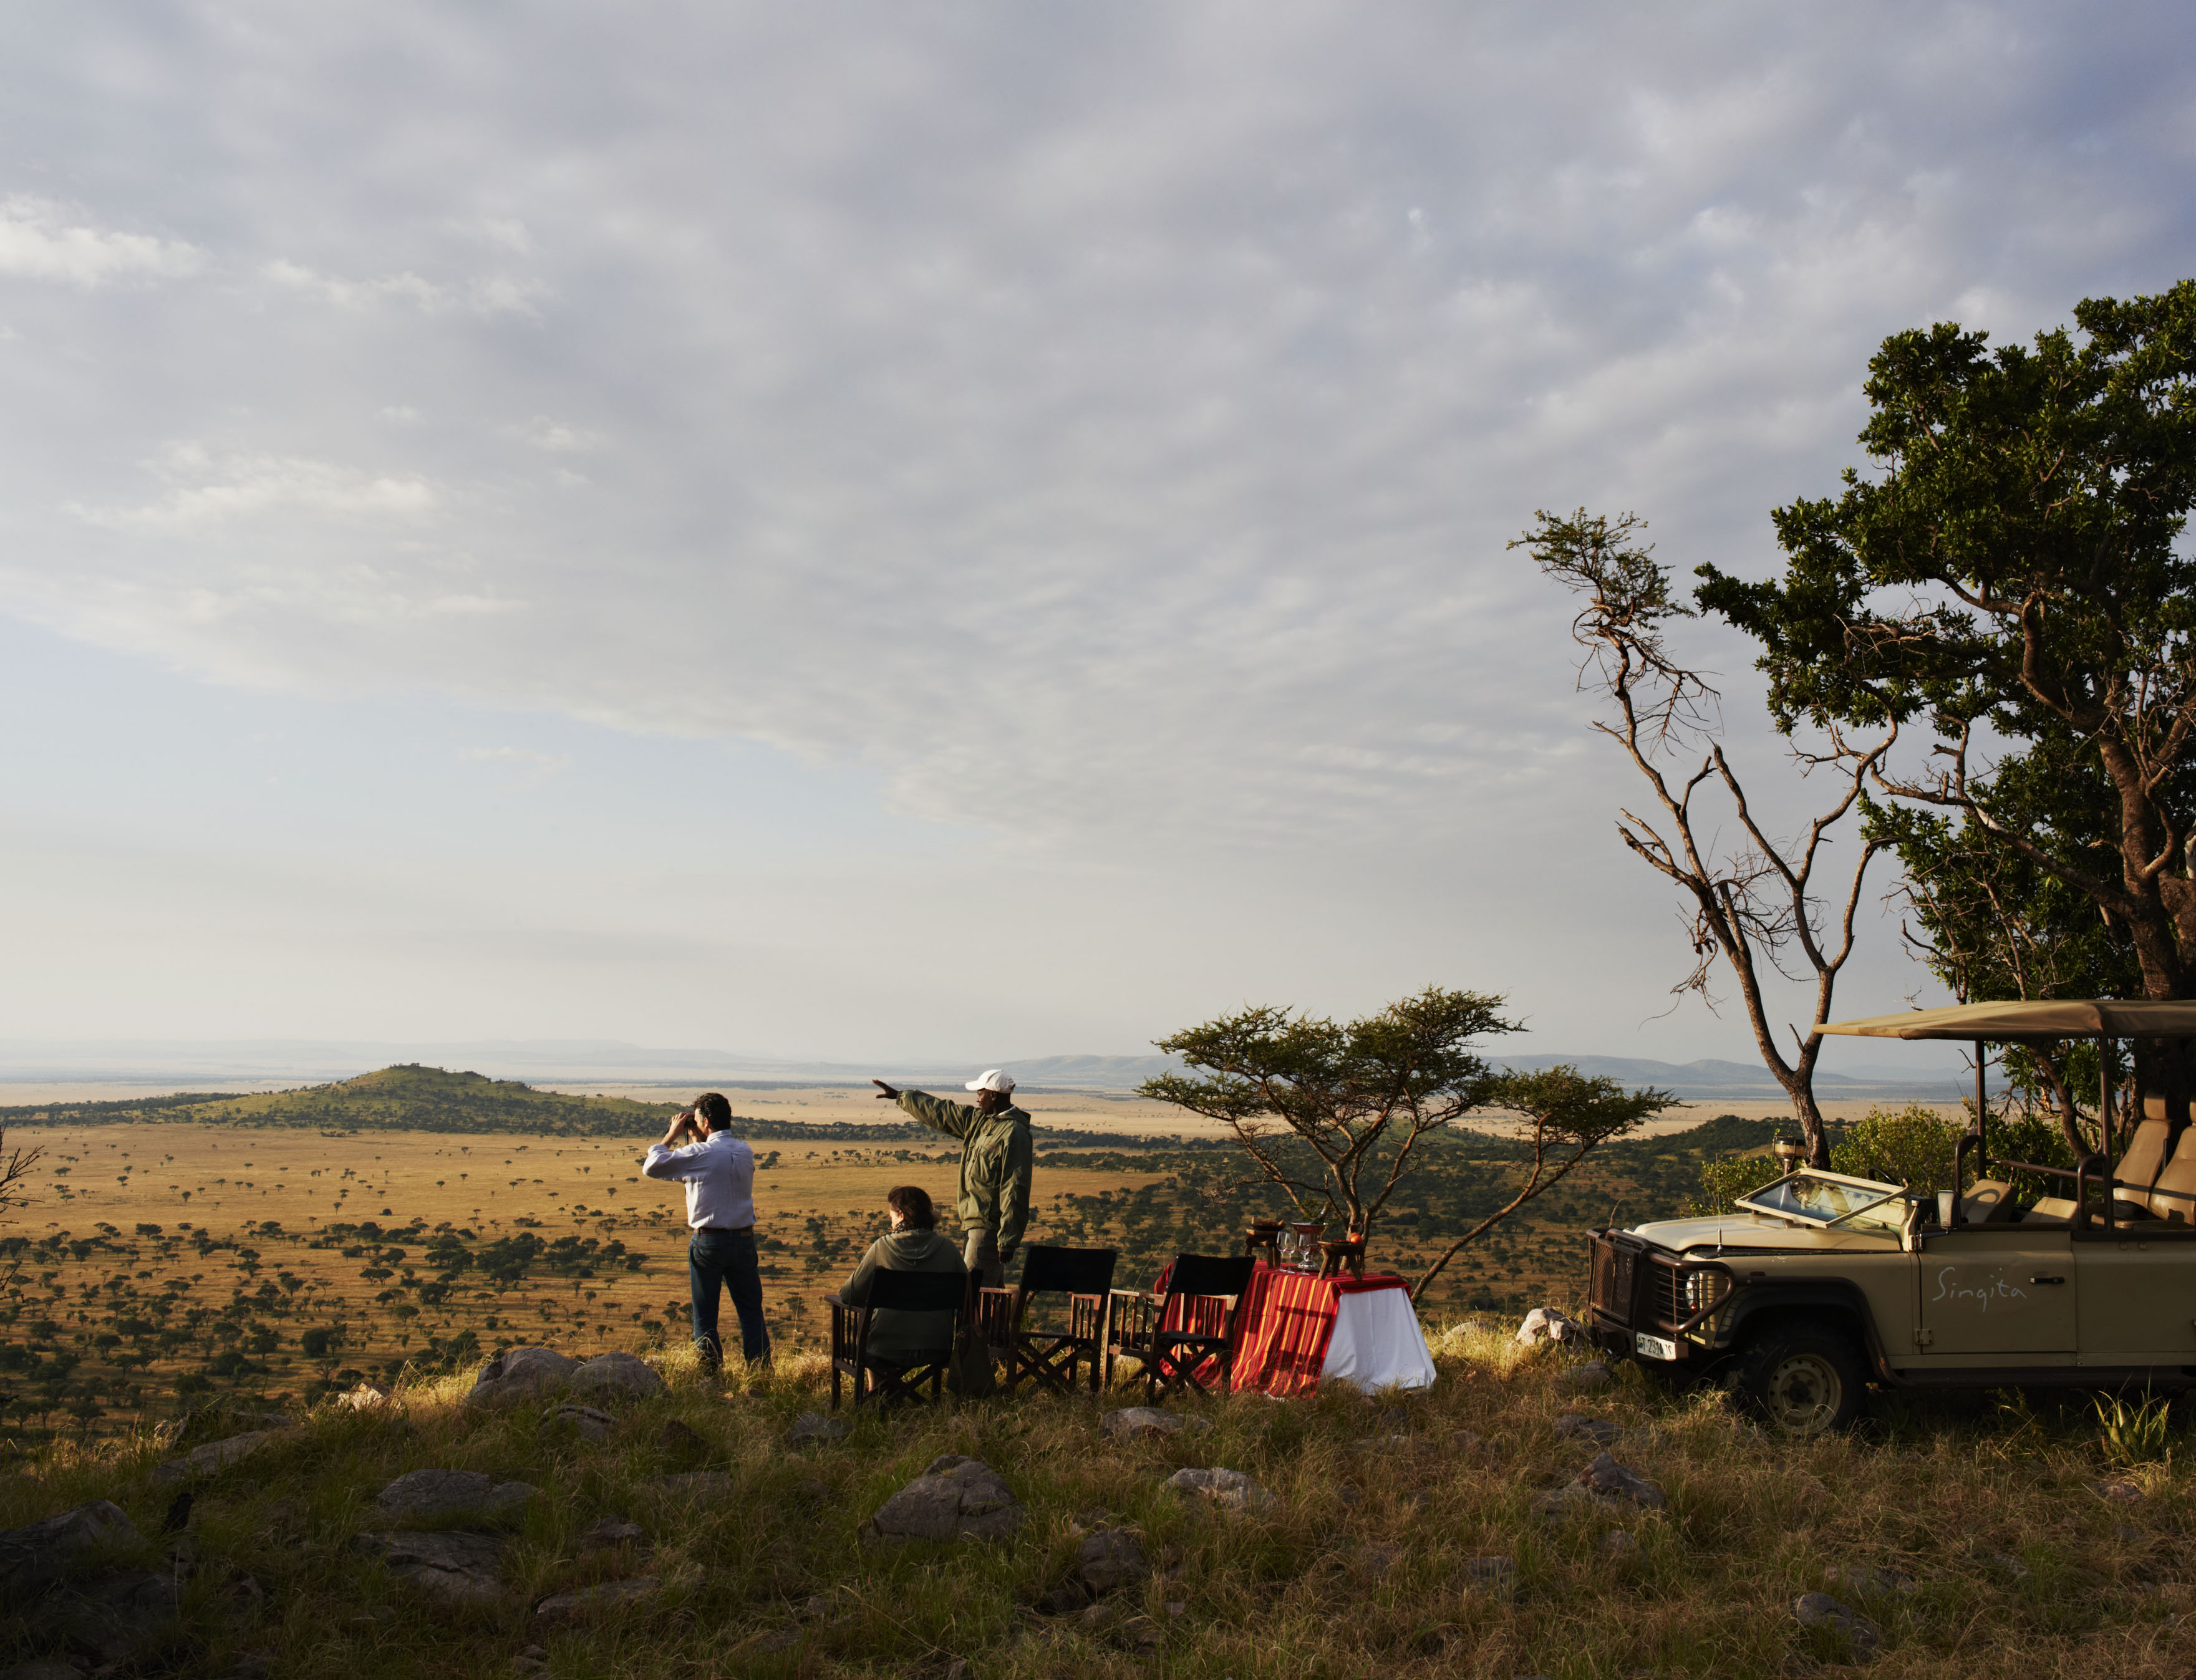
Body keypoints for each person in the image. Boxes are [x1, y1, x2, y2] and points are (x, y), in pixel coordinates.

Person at [641, 1091, 770, 1374]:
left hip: (709, 1243)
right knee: (751, 1313)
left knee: (705, 1315)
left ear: (706, 1121)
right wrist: (698, 1137)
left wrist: (672, 1134)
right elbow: (711, 1172)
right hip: (745, 1241)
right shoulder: (744, 1150)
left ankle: (710, 1377)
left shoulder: (698, 1154)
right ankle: (761, 1375)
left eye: (696, 1117)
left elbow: (652, 1167)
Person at [871, 1068, 1031, 1288]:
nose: (978, 1097)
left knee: (970, 1296)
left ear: (993, 1095)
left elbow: (1015, 1188)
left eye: (981, 1092)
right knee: (986, 1295)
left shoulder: (1014, 1133)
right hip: (974, 1224)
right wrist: (902, 1097)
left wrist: (1008, 1239)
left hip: (988, 1229)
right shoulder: (980, 1122)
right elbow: (942, 1112)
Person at [833, 1184, 967, 1373]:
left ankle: (878, 1393)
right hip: (937, 1346)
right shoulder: (948, 1249)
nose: (891, 1224)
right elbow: (967, 1296)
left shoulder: (882, 1247)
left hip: (885, 1348)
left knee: (875, 1325)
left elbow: (848, 1295)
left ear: (902, 1215)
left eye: (892, 1217)